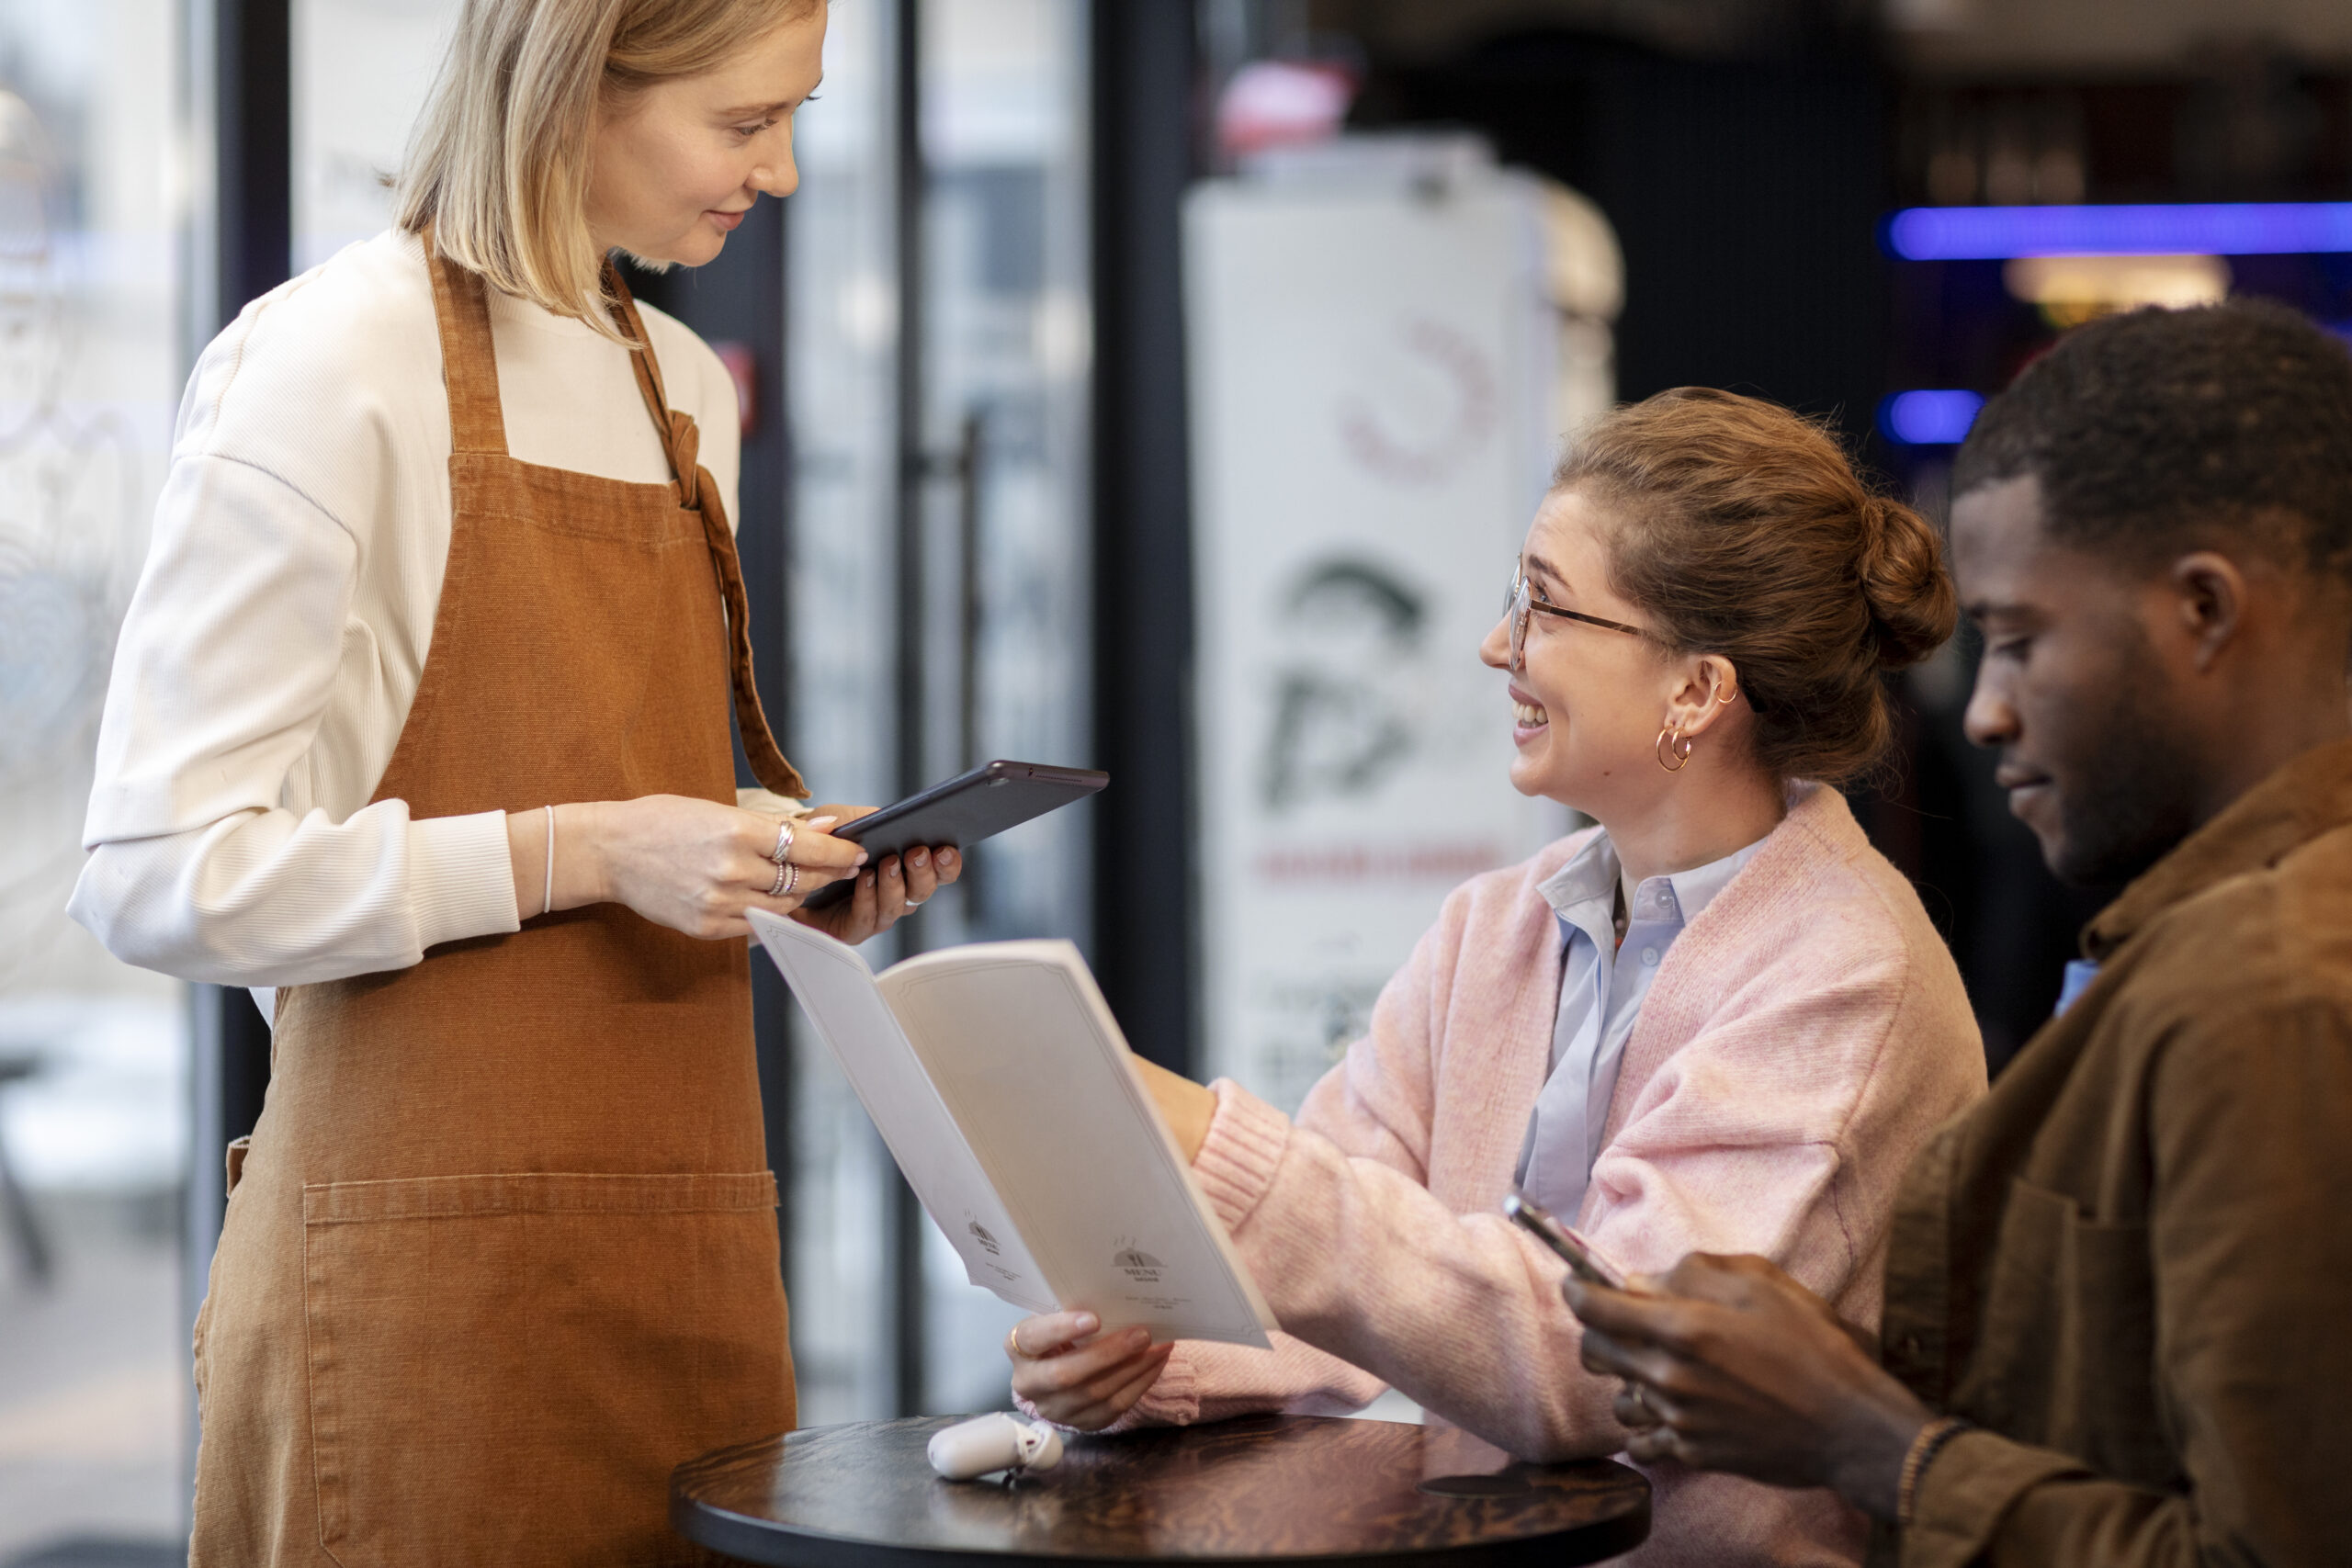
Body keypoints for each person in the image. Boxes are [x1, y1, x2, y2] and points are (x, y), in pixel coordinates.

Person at [68, 1, 961, 1562]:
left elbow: (634, 816)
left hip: (688, 1277)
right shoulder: (328, 362)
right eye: (747, 125)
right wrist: (589, 849)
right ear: (570, 90)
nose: (789, 173)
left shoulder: (687, 388)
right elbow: (154, 871)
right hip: (416, 1313)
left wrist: (778, 868)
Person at [1011, 389, 1988, 1565]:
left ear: (1698, 688)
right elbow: (1344, 1297)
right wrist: (1152, 1352)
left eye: (1545, 605)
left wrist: (1218, 1149)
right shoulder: (1498, 924)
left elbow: (1601, 1363)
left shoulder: (1844, 974)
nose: (1495, 645)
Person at [1567, 301, 2352, 1568]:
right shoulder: (2215, 941)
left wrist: (1865, 1434)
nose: (1984, 711)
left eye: (2022, 640)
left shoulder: (2267, 988)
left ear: (2205, 608)